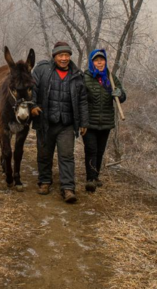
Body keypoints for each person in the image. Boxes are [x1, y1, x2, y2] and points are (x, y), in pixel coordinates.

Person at [30, 41, 89, 203]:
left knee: (67, 155)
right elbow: (32, 89)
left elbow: (83, 100)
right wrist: (33, 106)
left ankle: (68, 188)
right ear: (54, 56)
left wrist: (84, 122)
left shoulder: (77, 75)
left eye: (67, 55)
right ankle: (44, 181)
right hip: (46, 121)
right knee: (44, 154)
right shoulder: (42, 70)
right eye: (61, 55)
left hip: (67, 124)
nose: (64, 58)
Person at [82, 49, 126, 192]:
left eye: (102, 60)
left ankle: (95, 176)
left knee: (100, 151)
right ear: (91, 62)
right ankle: (90, 179)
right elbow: (80, 98)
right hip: (89, 121)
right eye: (96, 60)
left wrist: (119, 93)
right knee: (91, 149)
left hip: (105, 121)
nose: (99, 62)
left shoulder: (110, 78)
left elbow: (122, 96)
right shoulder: (86, 77)